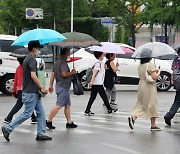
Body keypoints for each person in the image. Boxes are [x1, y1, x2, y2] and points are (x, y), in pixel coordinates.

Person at [1, 40, 52, 142]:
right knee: (27, 113)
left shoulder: (27, 59)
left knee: (41, 113)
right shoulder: (31, 60)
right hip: (30, 93)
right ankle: (7, 128)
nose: (39, 50)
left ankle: (41, 134)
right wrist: (42, 87)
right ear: (34, 49)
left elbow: (32, 73)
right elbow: (33, 75)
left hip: (33, 92)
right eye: (39, 48)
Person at [128, 48, 162, 131]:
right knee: (151, 104)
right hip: (149, 86)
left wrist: (154, 71)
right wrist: (159, 72)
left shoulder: (140, 65)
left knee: (141, 104)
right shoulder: (150, 65)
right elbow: (154, 77)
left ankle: (134, 116)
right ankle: (153, 125)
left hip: (141, 85)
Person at [46, 48, 78, 129]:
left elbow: (53, 74)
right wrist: (72, 73)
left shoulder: (57, 62)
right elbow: (64, 74)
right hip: (63, 86)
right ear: (66, 53)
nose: (69, 54)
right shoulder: (63, 63)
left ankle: (69, 122)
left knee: (67, 105)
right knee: (59, 105)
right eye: (69, 52)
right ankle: (48, 120)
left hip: (61, 86)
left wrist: (50, 84)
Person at [3, 57, 37, 124]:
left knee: (28, 103)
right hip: (25, 89)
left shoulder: (18, 68)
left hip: (19, 89)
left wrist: (14, 90)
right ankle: (9, 118)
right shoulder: (26, 68)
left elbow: (15, 80)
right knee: (20, 104)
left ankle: (33, 117)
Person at [84, 51, 117, 116]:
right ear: (100, 55)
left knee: (92, 97)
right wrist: (91, 81)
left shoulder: (98, 62)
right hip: (98, 83)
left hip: (96, 83)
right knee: (104, 96)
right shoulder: (98, 63)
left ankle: (87, 110)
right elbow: (94, 73)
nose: (103, 56)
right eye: (102, 55)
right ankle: (109, 109)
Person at [164, 48, 180, 126]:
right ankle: (169, 115)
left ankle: (169, 115)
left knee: (177, 100)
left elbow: (172, 69)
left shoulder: (176, 59)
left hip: (177, 83)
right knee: (178, 101)